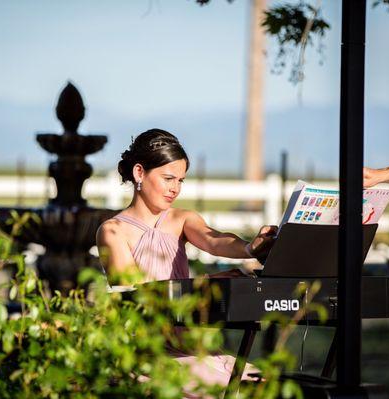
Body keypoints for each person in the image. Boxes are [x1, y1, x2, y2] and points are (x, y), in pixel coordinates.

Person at [96, 128, 277, 392]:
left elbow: (213, 239)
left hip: (190, 346)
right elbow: (141, 303)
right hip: (150, 351)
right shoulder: (113, 231)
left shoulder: (182, 219)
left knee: (264, 384)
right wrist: (206, 285)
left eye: (181, 180)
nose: (175, 189)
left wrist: (251, 248)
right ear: (139, 173)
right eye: (168, 178)